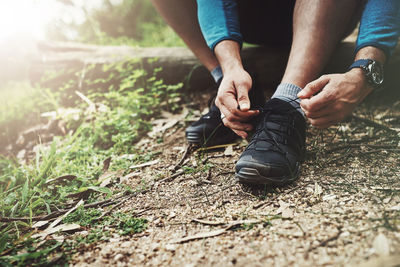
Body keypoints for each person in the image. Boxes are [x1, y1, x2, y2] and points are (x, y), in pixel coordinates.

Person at [150, 0, 400, 185]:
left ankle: (287, 102)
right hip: (252, 16)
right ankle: (234, 88)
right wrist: (230, 67)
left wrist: (365, 71)